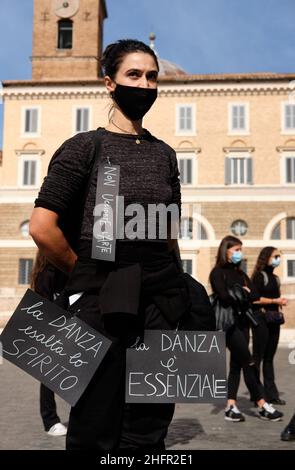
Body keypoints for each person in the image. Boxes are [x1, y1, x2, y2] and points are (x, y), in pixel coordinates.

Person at [29, 39, 215, 451]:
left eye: (152, 76)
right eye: (134, 74)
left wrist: (177, 294)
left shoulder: (165, 154)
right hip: (103, 304)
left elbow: (169, 235)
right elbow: (42, 227)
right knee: (95, 425)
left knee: (150, 427)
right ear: (109, 83)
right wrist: (89, 277)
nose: (145, 84)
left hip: (160, 303)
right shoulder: (84, 146)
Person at [209, 235, 283, 423]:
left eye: (240, 250)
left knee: (236, 365)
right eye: (236, 250)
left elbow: (255, 295)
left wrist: (241, 292)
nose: (239, 254)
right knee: (249, 361)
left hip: (243, 324)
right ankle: (262, 404)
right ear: (226, 250)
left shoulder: (241, 273)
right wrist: (242, 292)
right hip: (229, 325)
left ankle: (230, 406)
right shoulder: (217, 272)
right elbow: (224, 296)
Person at [30, 250, 68, 436]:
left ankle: (51, 419)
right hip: (52, 329)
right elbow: (46, 304)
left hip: (62, 328)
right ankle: (50, 420)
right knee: (49, 376)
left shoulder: (47, 271)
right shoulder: (49, 274)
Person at [251, 247, 288, 405]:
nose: (278, 259)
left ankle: (272, 395)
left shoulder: (276, 278)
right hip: (261, 320)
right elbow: (254, 299)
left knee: (269, 358)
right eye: (275, 256)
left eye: (279, 256)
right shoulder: (260, 276)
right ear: (266, 257)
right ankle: (257, 395)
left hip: (274, 320)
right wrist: (274, 301)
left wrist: (280, 302)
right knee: (258, 357)